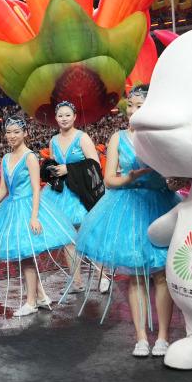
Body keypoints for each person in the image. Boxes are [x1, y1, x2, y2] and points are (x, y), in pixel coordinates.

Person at [76, 86, 181, 356]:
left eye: (139, 106)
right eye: (130, 106)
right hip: (128, 208)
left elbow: (174, 180)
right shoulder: (118, 138)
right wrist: (129, 178)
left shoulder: (162, 138)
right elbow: (109, 180)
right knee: (135, 277)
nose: (133, 111)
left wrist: (172, 182)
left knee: (162, 276)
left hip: (159, 206)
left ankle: (163, 337)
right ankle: (141, 338)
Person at [0, 115, 74, 317]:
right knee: (20, 255)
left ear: (25, 133)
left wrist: (34, 217)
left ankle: (31, 302)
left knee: (25, 257)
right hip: (11, 208)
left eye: (17, 132)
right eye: (9, 132)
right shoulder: (5, 158)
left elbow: (36, 189)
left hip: (27, 208)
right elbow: (3, 188)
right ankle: (40, 296)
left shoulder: (30, 157)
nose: (12, 136)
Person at [40, 101, 102, 293]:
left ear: (74, 117)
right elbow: (54, 164)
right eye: (60, 115)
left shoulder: (82, 138)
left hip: (81, 193)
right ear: (55, 118)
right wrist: (51, 170)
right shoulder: (53, 141)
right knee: (67, 239)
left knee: (88, 235)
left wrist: (69, 169)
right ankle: (77, 282)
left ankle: (103, 276)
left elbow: (95, 165)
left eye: (68, 115)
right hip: (60, 195)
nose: (64, 118)